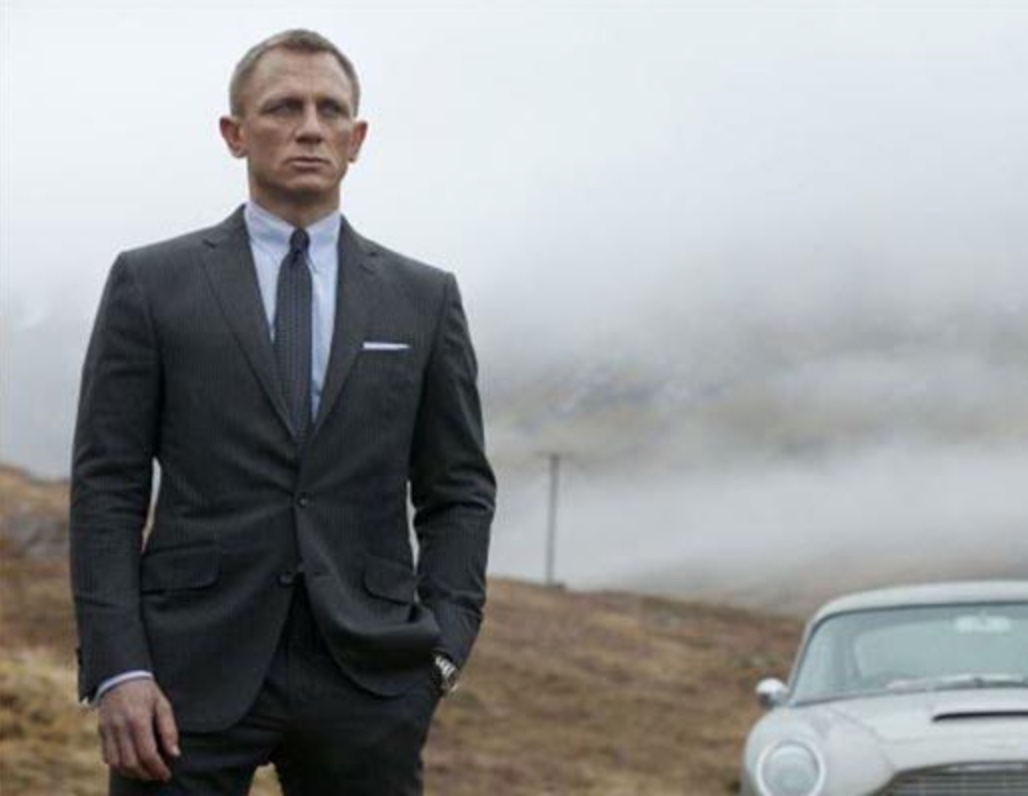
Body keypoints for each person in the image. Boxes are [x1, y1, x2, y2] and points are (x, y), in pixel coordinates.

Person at [69, 28, 496, 795]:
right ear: (234, 133)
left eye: (330, 110)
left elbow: (458, 489)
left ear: (356, 140)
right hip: (181, 676)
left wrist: (442, 649)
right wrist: (118, 668)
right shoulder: (151, 283)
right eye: (283, 107)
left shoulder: (424, 298)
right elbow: (107, 488)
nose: (309, 127)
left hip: (368, 680)